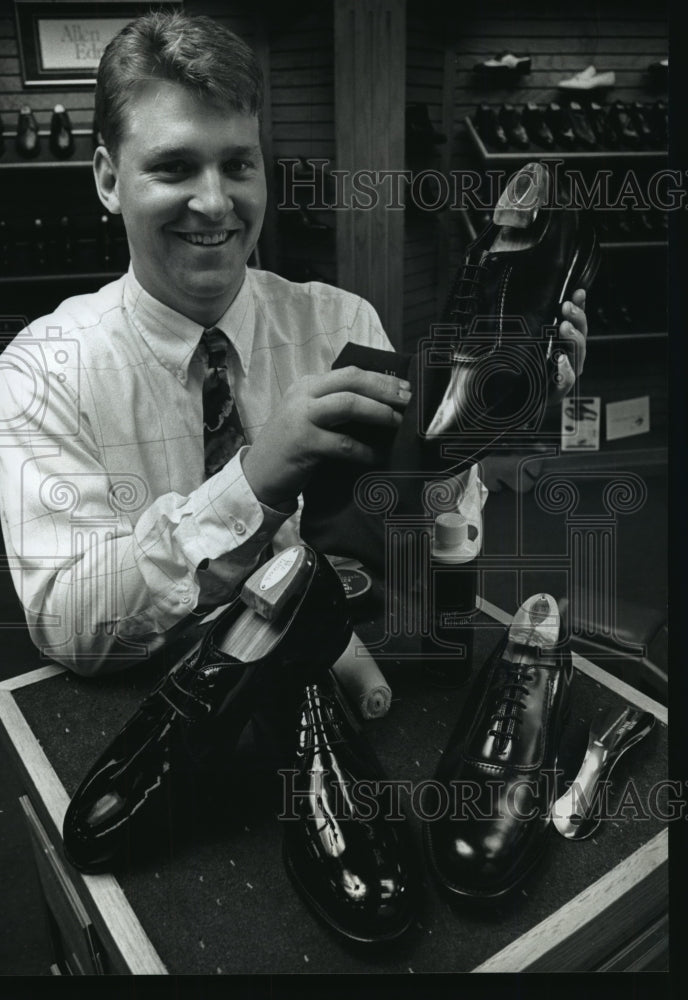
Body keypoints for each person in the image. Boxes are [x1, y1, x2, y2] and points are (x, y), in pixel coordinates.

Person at [0, 11, 588, 676]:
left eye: (238, 164)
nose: (216, 203)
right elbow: (71, 628)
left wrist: (479, 422)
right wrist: (254, 483)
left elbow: (419, 553)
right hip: (159, 723)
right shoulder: (40, 371)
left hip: (351, 699)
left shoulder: (343, 324)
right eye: (174, 167)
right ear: (108, 179)